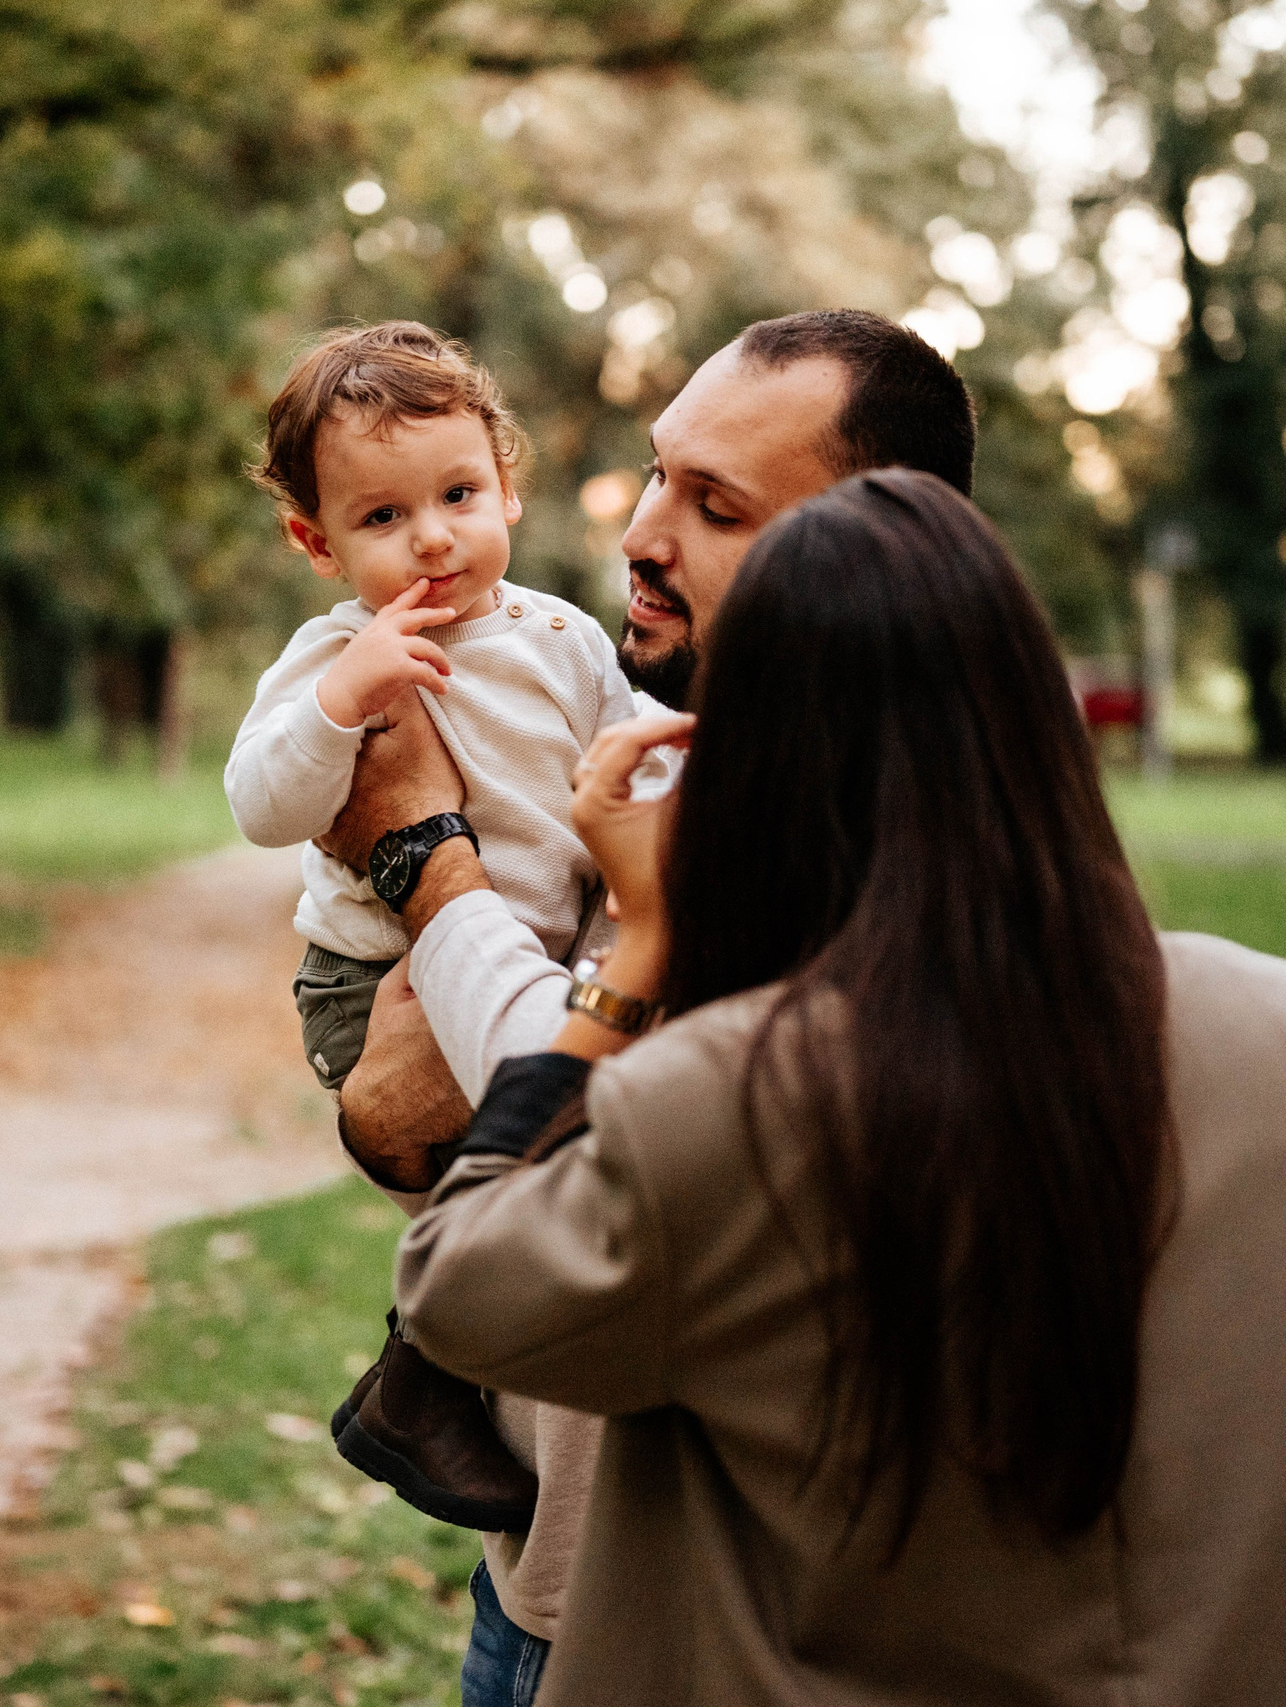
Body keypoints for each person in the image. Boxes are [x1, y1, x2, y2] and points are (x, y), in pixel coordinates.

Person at [396, 469, 1286, 1705]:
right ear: (1042, 726)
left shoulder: (726, 1104)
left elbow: (462, 1287)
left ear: (744, 769)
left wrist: (638, 951)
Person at [317, 310, 979, 1701]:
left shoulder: (851, 839)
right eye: (658, 472)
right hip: (537, 1565)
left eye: (715, 503)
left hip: (674, 1621)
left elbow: (593, 1124)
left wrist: (426, 861)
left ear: (867, 550)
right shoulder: (663, 760)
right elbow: (414, 1108)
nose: (641, 530)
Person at [227, 320, 646, 1533]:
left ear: (506, 481)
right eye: (381, 519)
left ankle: (426, 1382)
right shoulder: (328, 659)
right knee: (529, 1164)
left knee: (535, 1177)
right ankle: (431, 1374)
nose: (433, 537)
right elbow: (264, 808)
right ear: (316, 542)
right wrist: (338, 705)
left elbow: (623, 766)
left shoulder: (567, 639)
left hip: (536, 962)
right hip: (377, 985)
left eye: (459, 494)